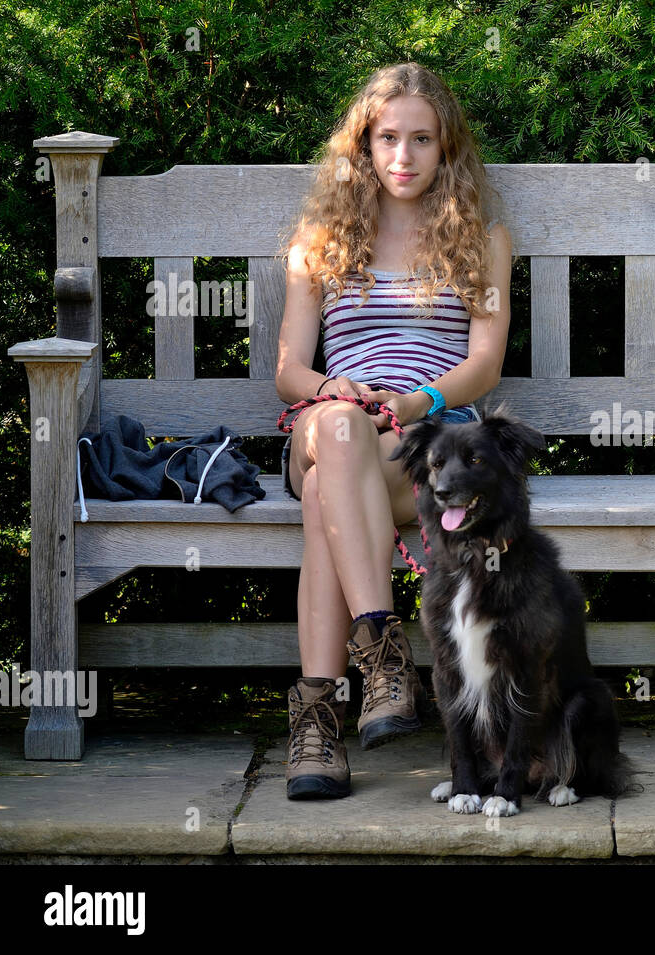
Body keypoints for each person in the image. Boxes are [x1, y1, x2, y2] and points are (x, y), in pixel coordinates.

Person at [273, 62, 513, 799]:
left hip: (430, 447)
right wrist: (331, 387)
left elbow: (486, 364)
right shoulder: (320, 241)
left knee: (324, 498)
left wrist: (417, 402)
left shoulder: (480, 237)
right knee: (337, 434)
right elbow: (288, 369)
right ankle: (381, 655)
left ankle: (317, 734)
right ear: (363, 146)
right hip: (332, 421)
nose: (403, 156)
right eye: (386, 139)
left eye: (421, 140)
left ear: (447, 150)